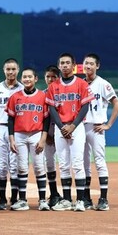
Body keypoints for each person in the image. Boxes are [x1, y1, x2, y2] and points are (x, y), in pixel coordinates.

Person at [46, 53, 94, 212]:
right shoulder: (53, 86)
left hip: (77, 126)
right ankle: (67, 200)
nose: (65, 65)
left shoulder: (81, 84)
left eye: (68, 63)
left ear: (73, 66)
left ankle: (80, 201)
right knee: (64, 164)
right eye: (62, 63)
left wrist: (73, 126)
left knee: (78, 163)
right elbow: (52, 109)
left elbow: (85, 107)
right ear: (59, 66)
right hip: (60, 127)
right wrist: (61, 127)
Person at [82, 53, 118, 211]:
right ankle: (86, 198)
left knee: (99, 161)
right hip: (81, 127)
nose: (88, 66)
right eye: (86, 63)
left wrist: (108, 124)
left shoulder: (103, 84)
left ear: (97, 66)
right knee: (83, 162)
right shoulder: (80, 84)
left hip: (96, 127)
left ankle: (103, 199)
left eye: (91, 63)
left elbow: (117, 104)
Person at [7, 68, 50, 211]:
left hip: (36, 134)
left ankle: (42, 200)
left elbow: (47, 119)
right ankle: (22, 200)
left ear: (35, 79)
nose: (27, 79)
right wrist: (11, 139)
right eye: (24, 77)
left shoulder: (42, 96)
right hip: (19, 134)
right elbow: (11, 119)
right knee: (21, 167)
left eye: (30, 77)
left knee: (39, 166)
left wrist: (43, 138)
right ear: (21, 79)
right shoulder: (15, 97)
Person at [0, 58, 23, 210]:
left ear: (18, 70)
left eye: (13, 69)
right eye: (8, 69)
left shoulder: (22, 89)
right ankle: (2, 198)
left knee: (15, 166)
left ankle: (15, 198)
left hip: (17, 130)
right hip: (0, 128)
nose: (11, 72)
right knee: (2, 166)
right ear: (4, 70)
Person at [43, 65, 63, 207]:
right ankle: (54, 193)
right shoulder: (41, 95)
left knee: (65, 164)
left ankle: (67, 195)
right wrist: (46, 135)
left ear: (58, 78)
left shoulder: (63, 93)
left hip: (63, 133)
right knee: (49, 163)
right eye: (48, 77)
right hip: (48, 134)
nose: (50, 79)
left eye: (53, 77)